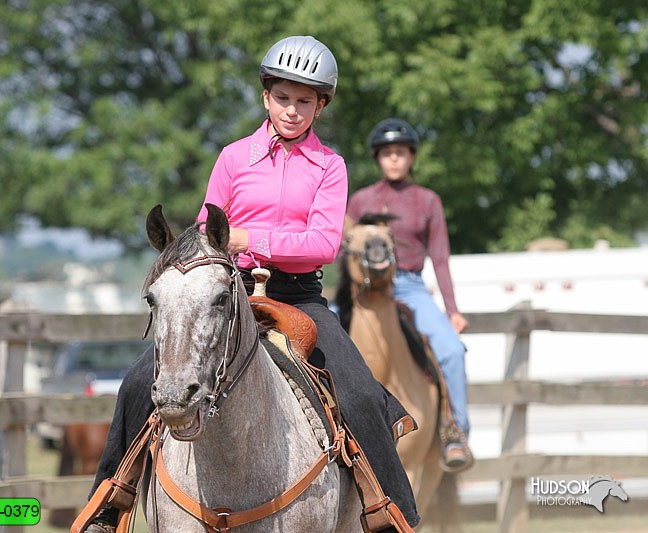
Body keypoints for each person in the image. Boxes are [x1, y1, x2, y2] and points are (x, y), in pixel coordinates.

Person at [85, 37, 419, 532]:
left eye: (305, 101)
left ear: (320, 106)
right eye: (283, 98)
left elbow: (323, 244)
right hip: (229, 292)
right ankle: (110, 504)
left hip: (299, 296)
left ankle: (389, 513)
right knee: (138, 383)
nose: (292, 110)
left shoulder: (330, 167)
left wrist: (248, 236)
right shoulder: (233, 157)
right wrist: (217, 246)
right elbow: (203, 227)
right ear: (266, 97)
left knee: (362, 394)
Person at [346, 117, 474, 472]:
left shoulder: (427, 200)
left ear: (411, 157)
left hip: (410, 285)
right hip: (366, 289)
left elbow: (441, 257)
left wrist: (453, 310)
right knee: (322, 337)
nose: (394, 159)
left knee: (451, 351)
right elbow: (347, 252)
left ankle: (455, 432)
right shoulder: (360, 201)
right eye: (387, 153)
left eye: (401, 152)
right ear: (378, 158)